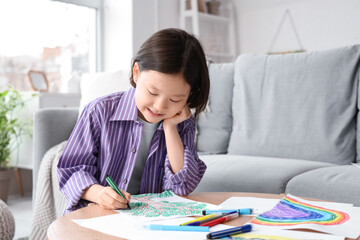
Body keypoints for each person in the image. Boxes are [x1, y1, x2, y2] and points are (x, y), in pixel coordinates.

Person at [57, 28, 210, 214]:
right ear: (136, 72)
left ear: (189, 94)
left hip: (147, 220)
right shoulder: (99, 111)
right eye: (152, 92)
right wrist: (99, 194)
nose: (160, 106)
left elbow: (183, 186)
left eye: (175, 99)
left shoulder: (182, 124)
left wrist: (170, 129)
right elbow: (71, 170)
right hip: (96, 212)